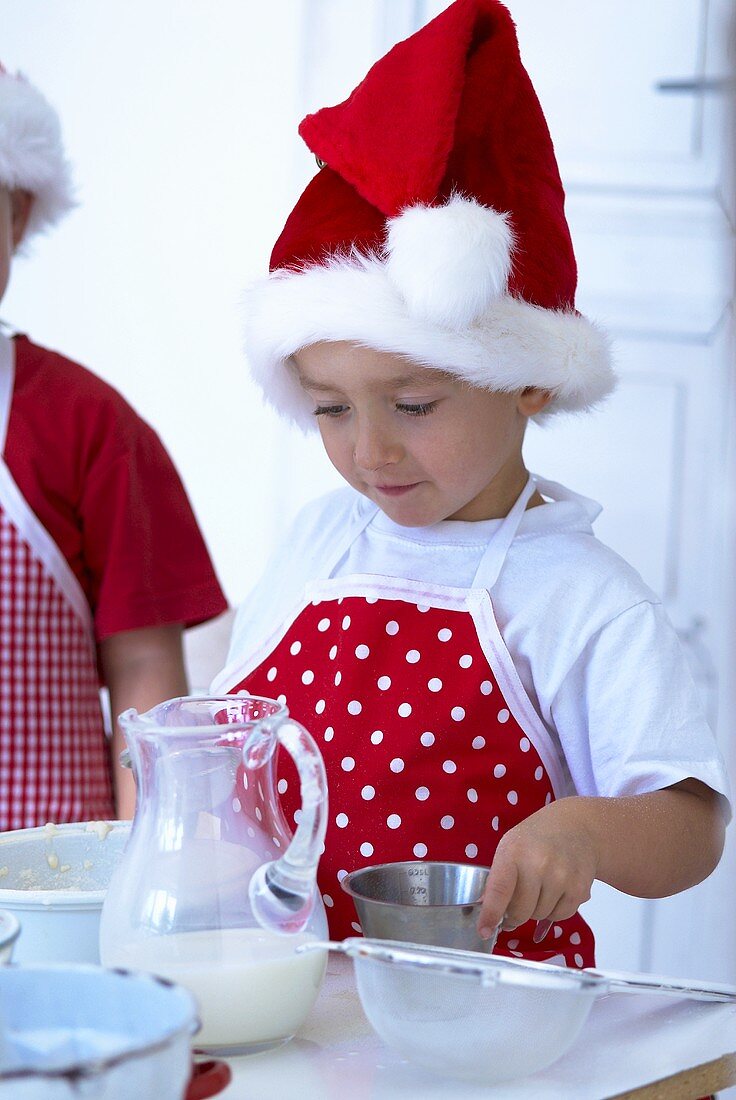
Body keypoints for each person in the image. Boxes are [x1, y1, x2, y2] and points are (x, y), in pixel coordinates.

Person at [212, 0, 730, 967]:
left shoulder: (578, 596)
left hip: (495, 1022)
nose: (372, 452)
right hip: (300, 996)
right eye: (330, 408)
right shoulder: (323, 541)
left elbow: (693, 828)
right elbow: (232, 732)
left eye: (413, 406)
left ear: (527, 380)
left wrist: (585, 830)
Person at [0, 63, 227, 827]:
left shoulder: (89, 425)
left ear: (17, 217)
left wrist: (142, 862)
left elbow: (143, 673)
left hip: (46, 881)